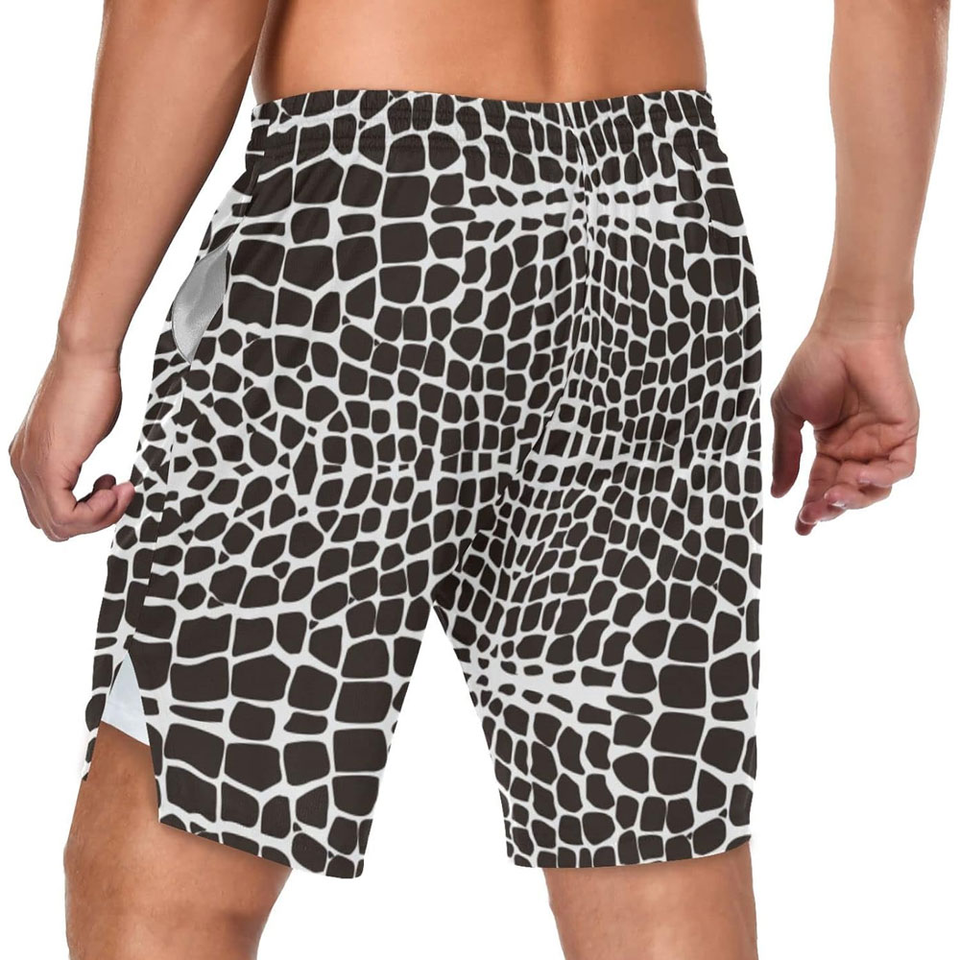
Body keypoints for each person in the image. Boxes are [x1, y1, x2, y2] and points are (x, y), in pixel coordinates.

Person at [8, 1, 949, 958]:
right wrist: (867, 308)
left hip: (372, 218)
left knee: (182, 855)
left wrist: (86, 344)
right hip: (658, 221)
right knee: (646, 843)